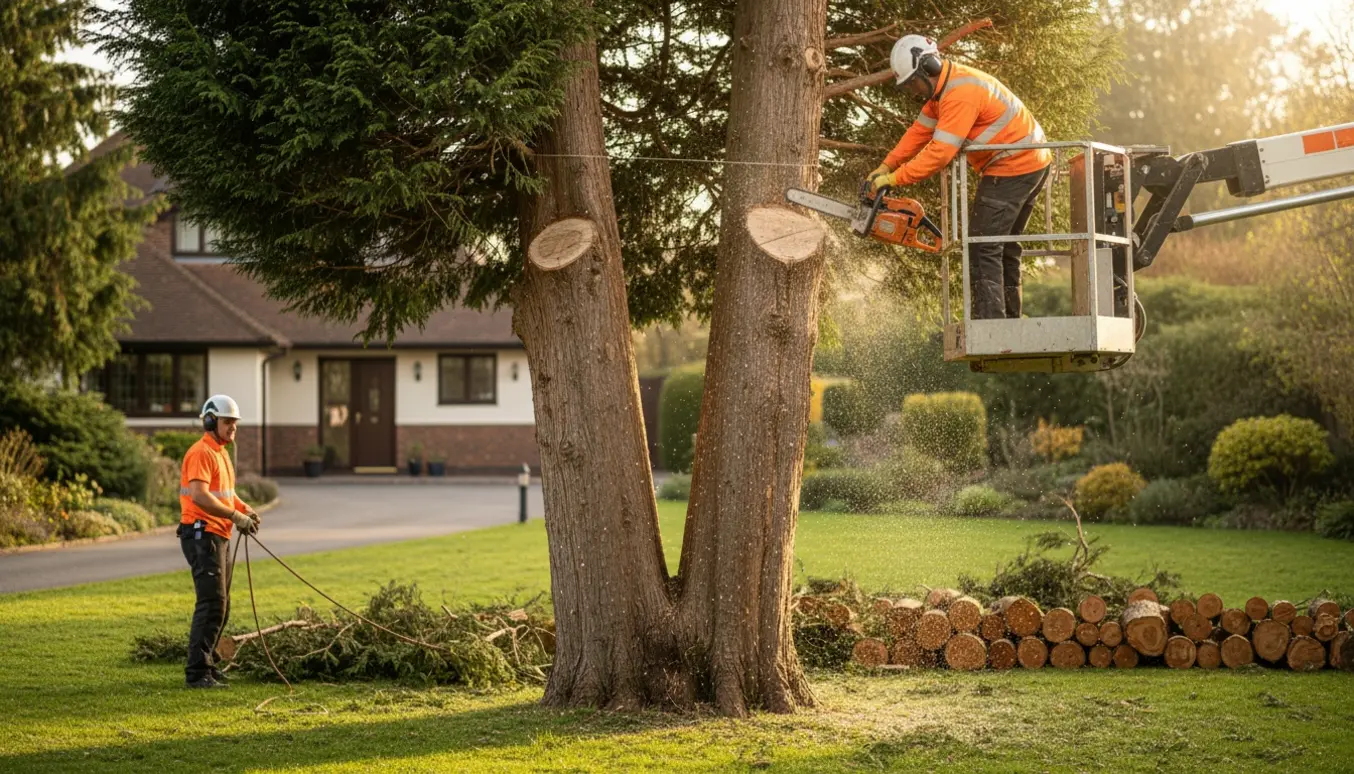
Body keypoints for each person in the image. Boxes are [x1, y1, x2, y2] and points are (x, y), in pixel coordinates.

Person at [867, 34, 1052, 320]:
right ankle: (1008, 319)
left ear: (929, 67)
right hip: (1029, 160)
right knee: (1002, 245)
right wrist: (886, 165)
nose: (914, 91)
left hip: (1014, 164)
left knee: (982, 243)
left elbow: (940, 153)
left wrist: (894, 180)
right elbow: (918, 133)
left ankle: (991, 324)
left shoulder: (959, 93)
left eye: (914, 82)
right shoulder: (941, 93)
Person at [177, 394, 262, 689]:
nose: (233, 428)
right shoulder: (201, 452)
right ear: (211, 421)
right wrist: (236, 518)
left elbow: (226, 493)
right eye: (227, 422)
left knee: (221, 605)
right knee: (212, 603)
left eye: (235, 423)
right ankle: (197, 673)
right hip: (202, 535)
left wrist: (244, 509)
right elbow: (200, 495)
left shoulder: (221, 453)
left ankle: (209, 665)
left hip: (218, 535)